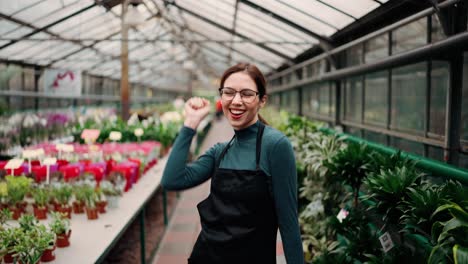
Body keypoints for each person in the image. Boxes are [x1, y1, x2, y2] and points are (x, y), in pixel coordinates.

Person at [161, 62, 304, 264]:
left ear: (262, 100)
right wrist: (190, 123)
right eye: (229, 92)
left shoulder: (275, 146)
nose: (236, 101)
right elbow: (172, 180)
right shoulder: (219, 151)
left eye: (246, 94)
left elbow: (288, 223)